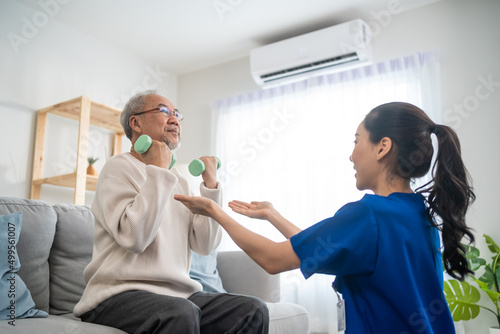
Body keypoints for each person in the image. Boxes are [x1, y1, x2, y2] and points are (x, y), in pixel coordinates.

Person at [175, 102, 476, 333]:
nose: (351, 155)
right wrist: (273, 215)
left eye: (357, 141)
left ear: (383, 147)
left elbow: (274, 260)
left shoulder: (368, 214)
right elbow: (323, 248)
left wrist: (215, 211)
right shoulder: (415, 212)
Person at [74, 90, 269, 334]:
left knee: (253, 309)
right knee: (178, 312)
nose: (175, 119)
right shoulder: (118, 168)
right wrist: (158, 170)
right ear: (136, 123)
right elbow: (134, 239)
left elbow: (204, 245)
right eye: (164, 111)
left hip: (178, 296)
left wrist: (210, 188)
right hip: (116, 296)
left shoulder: (178, 180)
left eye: (177, 114)